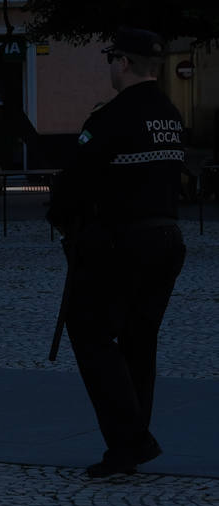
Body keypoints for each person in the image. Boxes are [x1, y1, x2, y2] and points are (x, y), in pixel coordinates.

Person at [47, 27, 187, 478]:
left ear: (123, 63)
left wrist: (61, 216)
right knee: (139, 342)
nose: (109, 65)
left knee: (90, 335)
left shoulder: (112, 117)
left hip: (119, 244)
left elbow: (73, 183)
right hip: (166, 242)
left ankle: (131, 439)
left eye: (111, 58)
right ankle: (130, 444)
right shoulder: (170, 114)